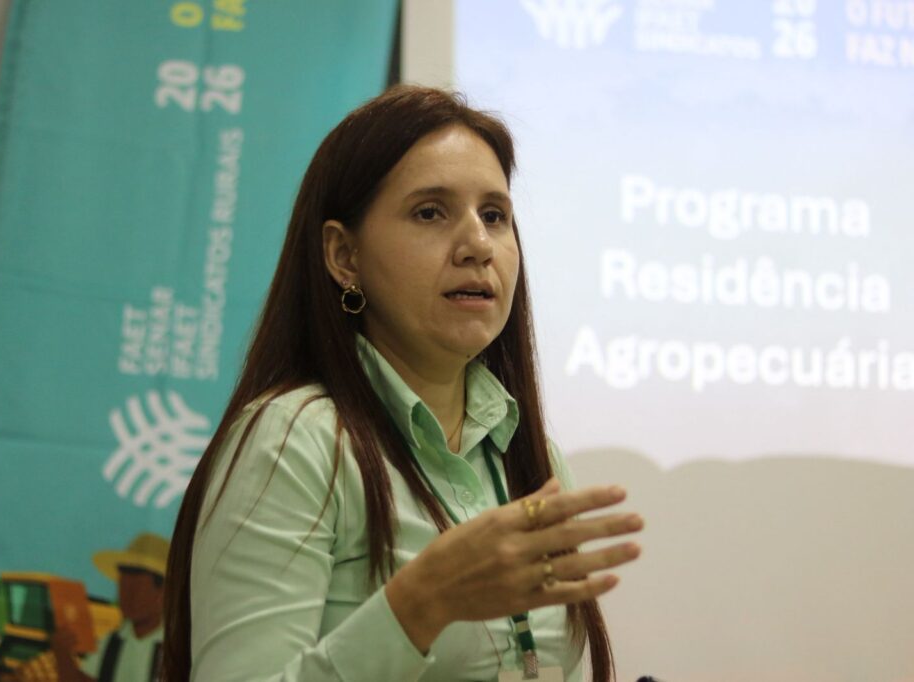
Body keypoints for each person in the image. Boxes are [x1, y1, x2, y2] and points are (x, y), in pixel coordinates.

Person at [163, 85, 644, 682]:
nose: (478, 245)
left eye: (494, 216)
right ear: (344, 256)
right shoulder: (295, 440)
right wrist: (419, 604)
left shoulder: (529, 455)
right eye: (430, 212)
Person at [54, 533, 169, 682]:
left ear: (162, 593)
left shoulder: (176, 649)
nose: (127, 596)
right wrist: (63, 657)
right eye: (123, 586)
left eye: (137, 589)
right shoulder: (110, 643)